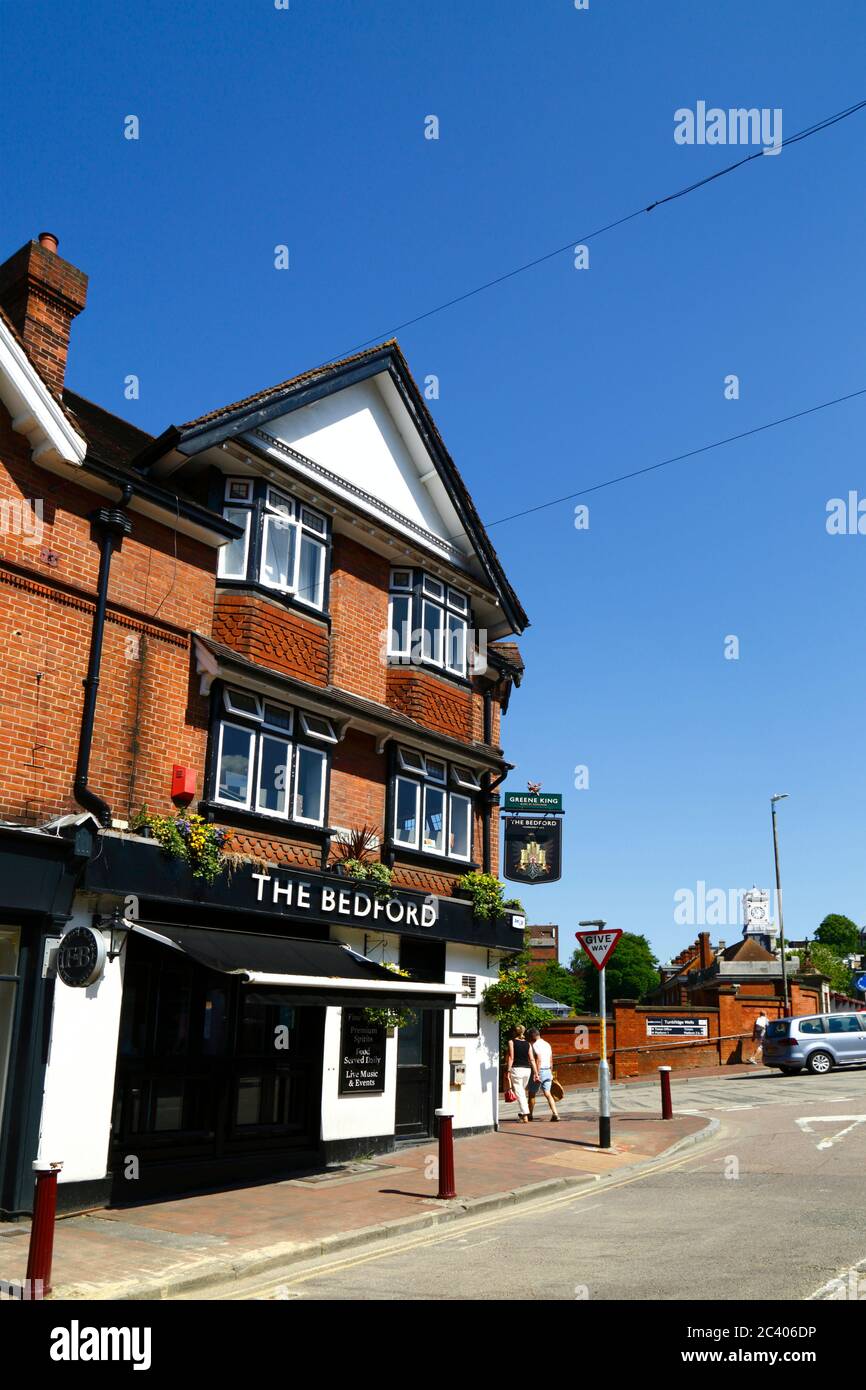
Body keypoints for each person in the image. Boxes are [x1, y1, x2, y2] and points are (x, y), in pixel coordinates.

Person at [506, 1024, 538, 1122]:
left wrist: (508, 1070)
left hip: (517, 1069)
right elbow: (532, 1059)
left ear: (515, 1032)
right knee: (522, 1092)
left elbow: (511, 1057)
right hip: (527, 1070)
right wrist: (536, 1073)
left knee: (519, 1092)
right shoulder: (528, 1044)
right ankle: (522, 1114)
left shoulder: (511, 1042)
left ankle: (525, 1115)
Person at [527, 1027, 560, 1121]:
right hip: (548, 1070)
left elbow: (538, 1059)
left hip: (539, 1070)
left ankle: (530, 1115)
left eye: (529, 1036)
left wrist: (536, 1073)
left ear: (532, 1035)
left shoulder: (534, 1045)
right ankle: (555, 1114)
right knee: (548, 1093)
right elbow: (551, 1060)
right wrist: (551, 1072)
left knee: (532, 1094)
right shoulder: (547, 1044)